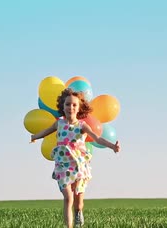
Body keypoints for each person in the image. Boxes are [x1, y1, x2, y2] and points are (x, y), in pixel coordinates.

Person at [30, 88, 121, 228]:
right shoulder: (59, 123)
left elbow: (97, 138)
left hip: (78, 166)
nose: (70, 107)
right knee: (68, 198)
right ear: (62, 106)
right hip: (62, 165)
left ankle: (79, 212)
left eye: (74, 105)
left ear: (79, 108)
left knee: (78, 203)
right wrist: (34, 136)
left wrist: (112, 146)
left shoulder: (82, 126)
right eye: (67, 104)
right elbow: (46, 131)